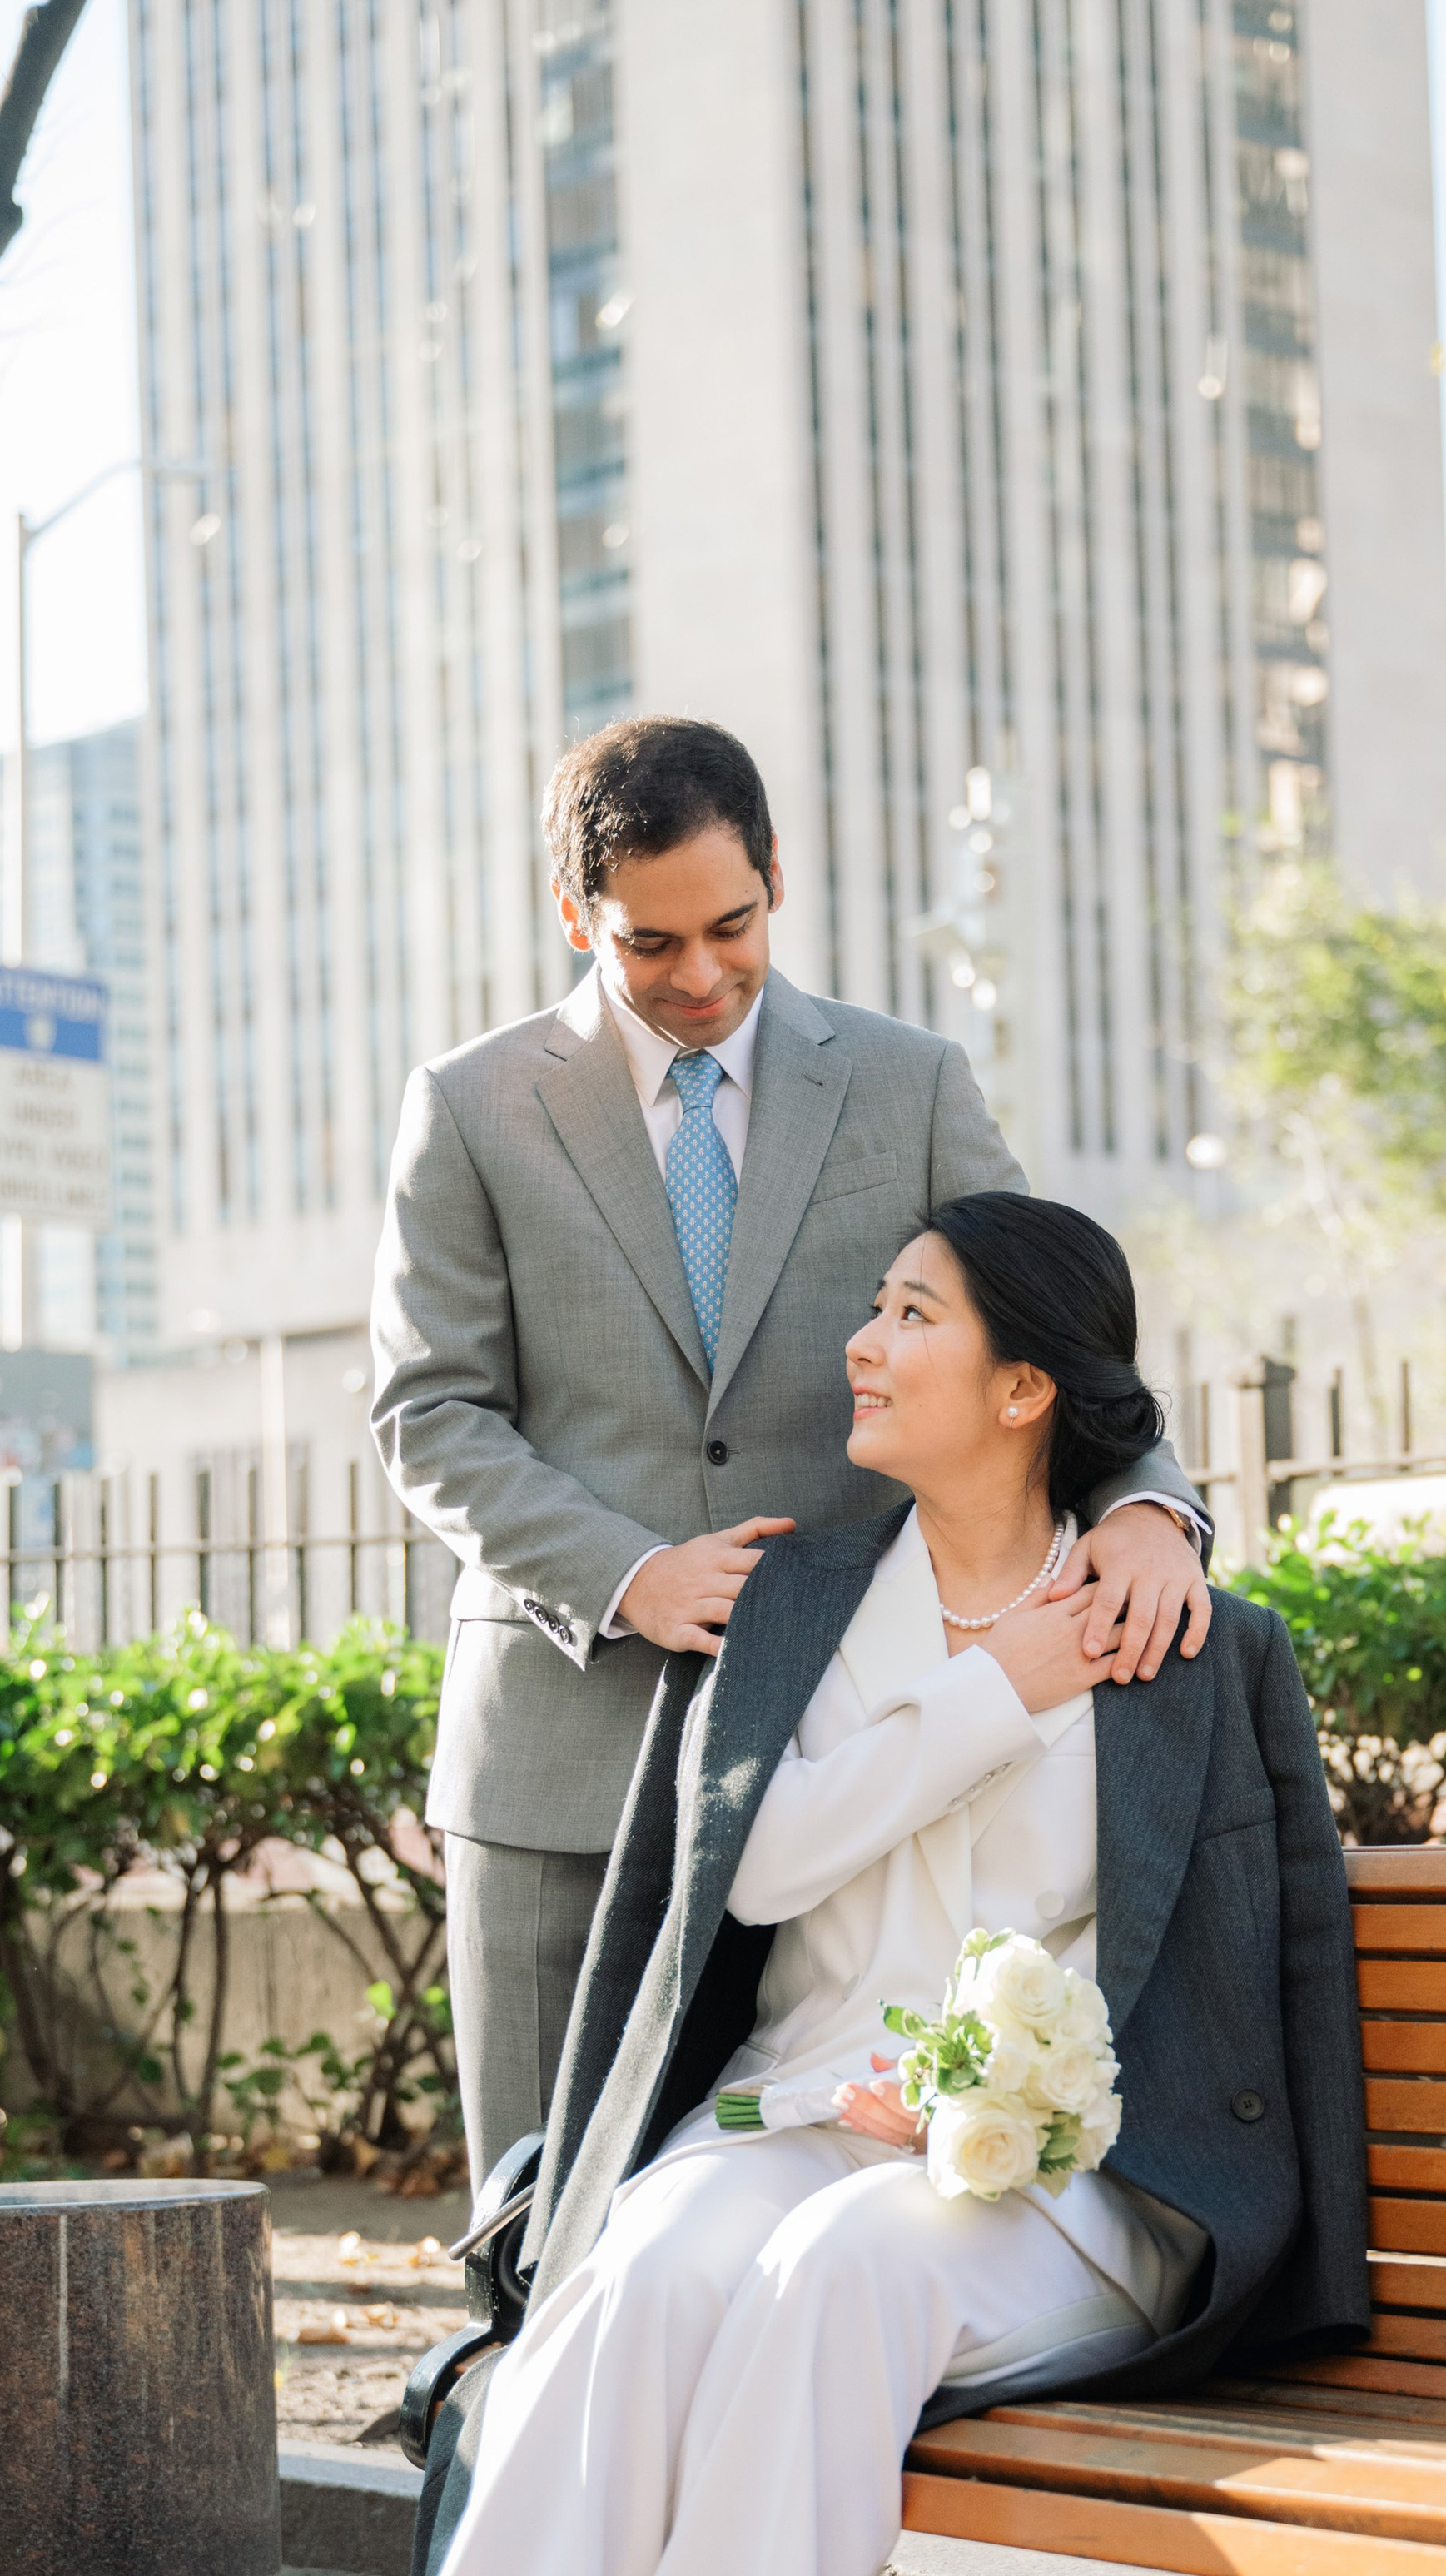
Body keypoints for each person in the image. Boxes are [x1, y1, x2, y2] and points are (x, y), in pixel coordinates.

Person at [291, 1191, 1368, 2576]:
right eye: (871, 1306)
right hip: (795, 2120)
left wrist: (1003, 2105)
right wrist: (986, 1690)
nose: (861, 1346)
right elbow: (759, 1861)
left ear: (1025, 1384)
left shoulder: (1182, 1635)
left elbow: (1222, 2002)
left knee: (837, 2272)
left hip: (1059, 2192)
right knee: (633, 2283)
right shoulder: (802, 1594)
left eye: (908, 1315)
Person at [370, 717, 1214, 2191]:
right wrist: (626, 1573)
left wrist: (1146, 1504)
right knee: (536, 2207)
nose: (699, 976)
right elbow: (426, 1411)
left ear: (777, 875)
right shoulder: (470, 1106)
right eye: (648, 943)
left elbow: (1052, 1330)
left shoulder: (910, 1080)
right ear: (574, 914)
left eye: (732, 925)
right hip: (561, 1754)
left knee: (785, 2203)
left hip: (835, 1752)